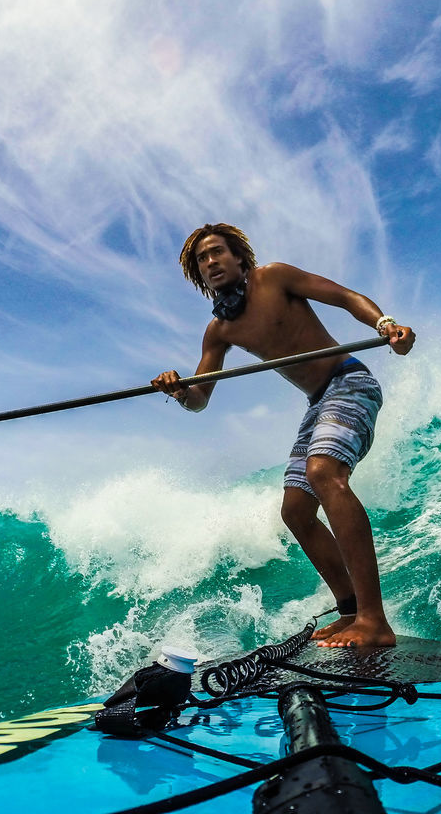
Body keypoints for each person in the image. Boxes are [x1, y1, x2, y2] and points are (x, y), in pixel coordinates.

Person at [152, 224, 415, 648]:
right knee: (295, 512)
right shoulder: (220, 330)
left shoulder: (274, 277)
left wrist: (387, 325)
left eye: (217, 252)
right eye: (202, 260)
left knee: (323, 472)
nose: (211, 262)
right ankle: (349, 611)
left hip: (349, 382)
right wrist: (180, 389)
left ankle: (374, 620)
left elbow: (345, 297)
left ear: (239, 258)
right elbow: (201, 397)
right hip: (317, 403)